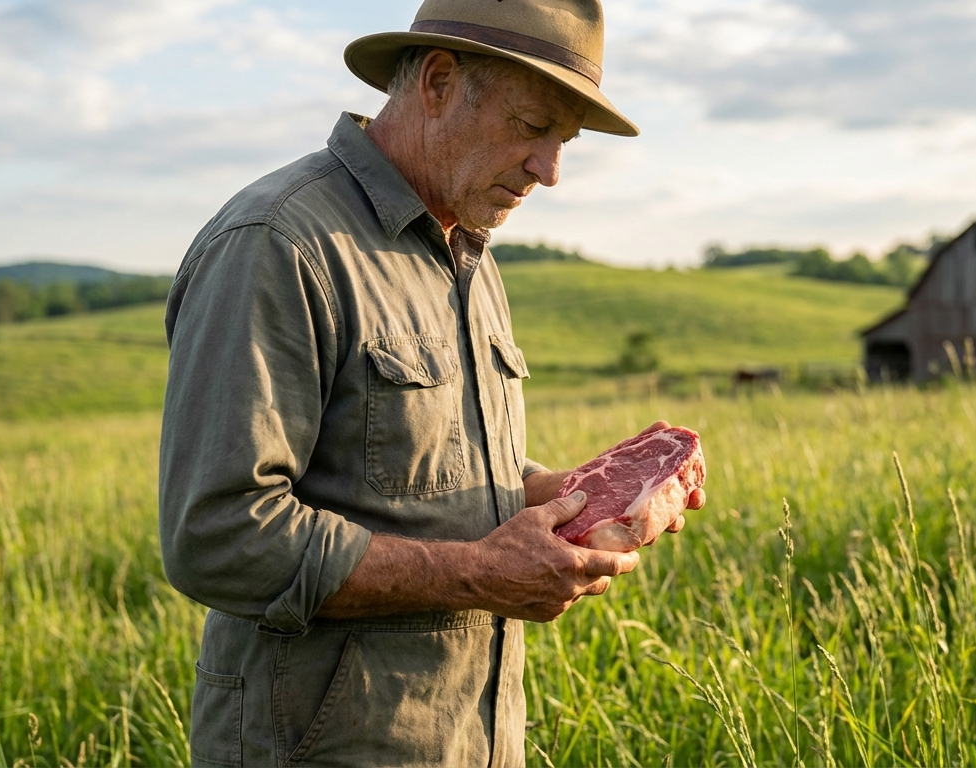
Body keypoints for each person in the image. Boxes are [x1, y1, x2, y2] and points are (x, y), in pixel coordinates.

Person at [157, 0, 703, 765]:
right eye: (531, 126)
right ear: (439, 82)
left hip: (470, 739)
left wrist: (567, 496)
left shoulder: (469, 252)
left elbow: (421, 470)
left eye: (564, 142)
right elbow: (216, 535)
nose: (549, 171)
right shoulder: (278, 243)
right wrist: (479, 572)